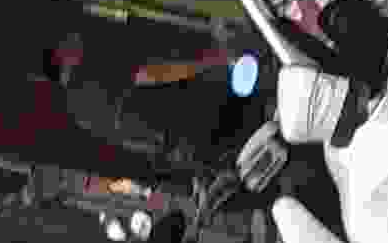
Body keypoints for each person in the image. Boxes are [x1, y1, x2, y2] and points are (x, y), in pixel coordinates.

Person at [44, 31, 260, 175]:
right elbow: (152, 74)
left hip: (175, 143)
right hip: (182, 111)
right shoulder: (89, 73)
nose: (74, 39)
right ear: (61, 56)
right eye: (66, 41)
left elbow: (124, 141)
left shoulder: (77, 112)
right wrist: (212, 61)